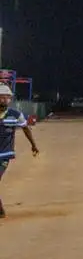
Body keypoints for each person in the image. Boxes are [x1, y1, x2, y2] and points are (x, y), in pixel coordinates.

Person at [0, 84, 40, 219]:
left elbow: (26, 128)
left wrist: (33, 145)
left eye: (7, 97)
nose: (4, 100)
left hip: (4, 155)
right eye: (2, 97)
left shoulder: (15, 115)